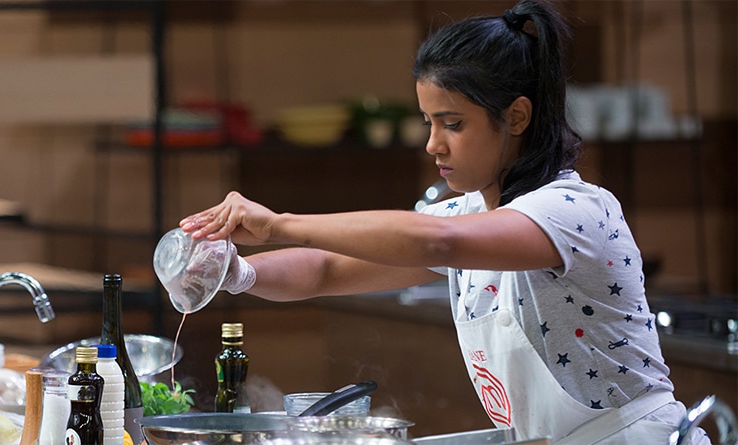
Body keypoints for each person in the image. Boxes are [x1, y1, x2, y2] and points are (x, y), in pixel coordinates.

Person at [179, 1, 709, 443]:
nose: (434, 144)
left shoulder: (575, 210)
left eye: (452, 124)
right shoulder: (466, 213)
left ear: (517, 117)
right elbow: (323, 269)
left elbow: (440, 243)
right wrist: (235, 272)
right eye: (428, 123)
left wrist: (279, 224)